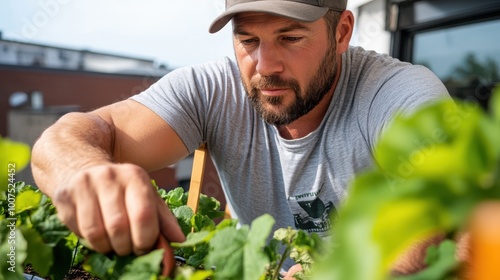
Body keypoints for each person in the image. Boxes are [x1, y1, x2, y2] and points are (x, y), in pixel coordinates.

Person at [31, 0, 451, 277]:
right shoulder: (213, 89)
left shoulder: (397, 93)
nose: (265, 66)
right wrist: (83, 171)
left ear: (341, 33)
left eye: (290, 38)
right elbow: (72, 135)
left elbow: (455, 213)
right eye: (248, 40)